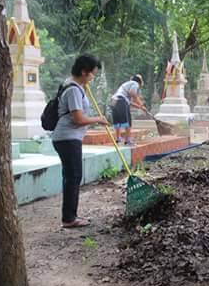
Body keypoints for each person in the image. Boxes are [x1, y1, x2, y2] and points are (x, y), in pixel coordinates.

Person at [52, 54, 108, 228]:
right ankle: (69, 218)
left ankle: (70, 215)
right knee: (73, 176)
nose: (93, 77)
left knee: (72, 176)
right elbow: (78, 119)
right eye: (92, 74)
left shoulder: (75, 87)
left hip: (68, 138)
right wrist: (98, 119)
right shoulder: (73, 90)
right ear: (84, 72)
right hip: (67, 138)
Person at [110, 74, 146, 145]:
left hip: (114, 101)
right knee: (128, 121)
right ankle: (128, 140)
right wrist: (141, 104)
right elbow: (133, 93)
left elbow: (129, 102)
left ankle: (118, 138)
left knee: (117, 121)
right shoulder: (135, 83)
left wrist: (140, 107)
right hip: (121, 101)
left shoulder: (126, 84)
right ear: (139, 81)